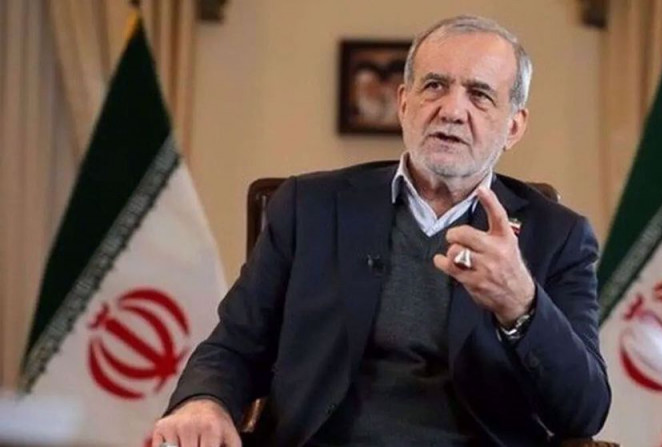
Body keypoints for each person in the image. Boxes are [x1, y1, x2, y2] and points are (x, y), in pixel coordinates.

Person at [152, 15, 610, 447]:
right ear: (404, 103)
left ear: (513, 126)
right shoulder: (310, 207)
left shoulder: (558, 237)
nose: (452, 110)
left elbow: (584, 412)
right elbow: (235, 344)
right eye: (435, 86)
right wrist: (203, 401)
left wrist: (521, 304)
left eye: (479, 95)